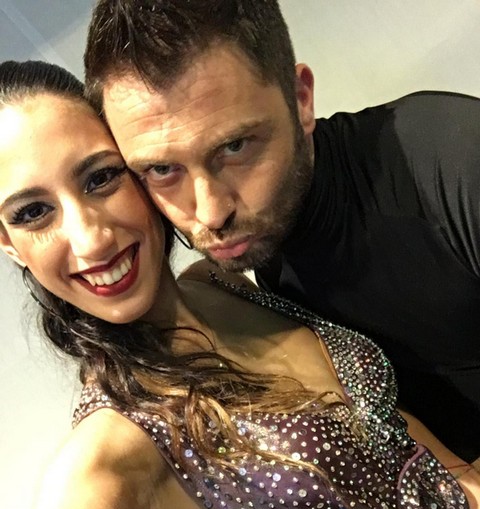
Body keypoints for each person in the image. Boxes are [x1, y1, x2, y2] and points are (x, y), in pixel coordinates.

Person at [0, 60, 479, 509]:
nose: (90, 237)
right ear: (8, 241)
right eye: (33, 213)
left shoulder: (219, 282)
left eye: (100, 178)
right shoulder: (111, 445)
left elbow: (407, 444)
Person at [84, 0, 480, 467]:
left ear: (301, 98)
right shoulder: (258, 262)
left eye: (235, 146)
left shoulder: (451, 163)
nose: (211, 213)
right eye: (161, 169)